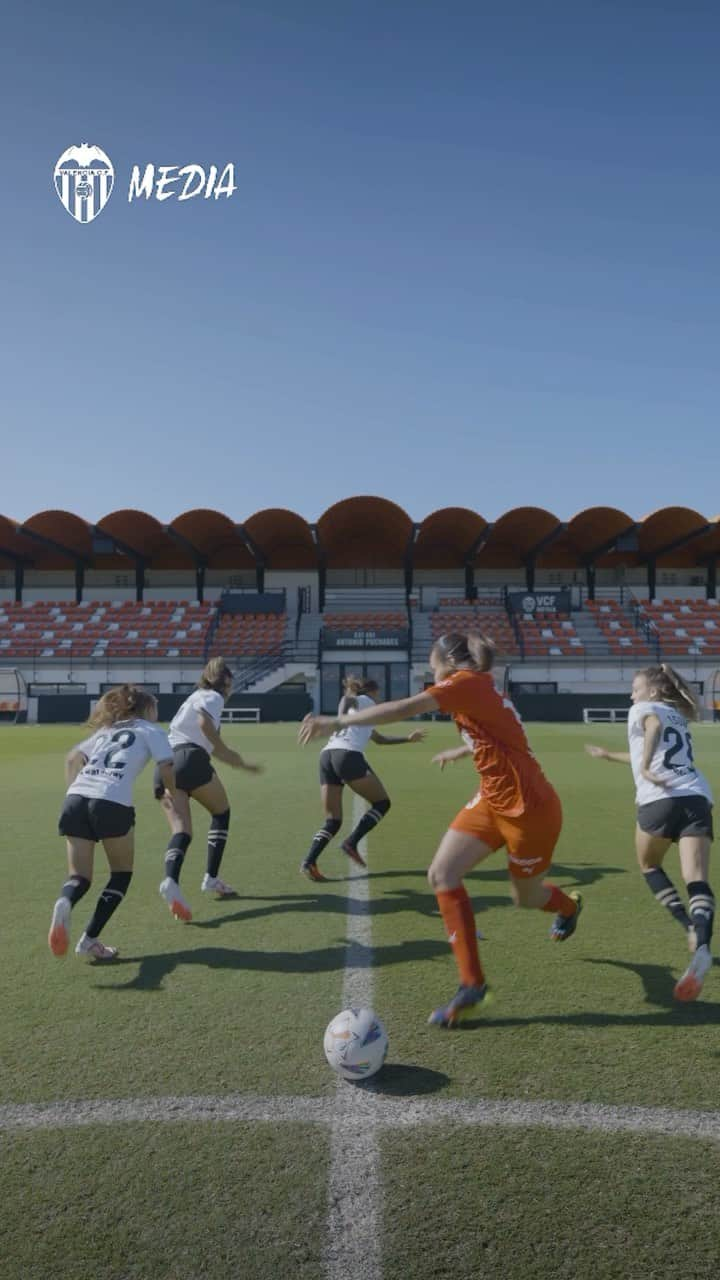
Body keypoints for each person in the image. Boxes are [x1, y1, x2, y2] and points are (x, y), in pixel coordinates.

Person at [299, 633, 581, 1025]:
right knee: (442, 874)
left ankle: (567, 906)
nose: (431, 673)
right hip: (491, 800)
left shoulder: (464, 683)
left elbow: (403, 708)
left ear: (448, 662)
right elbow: (498, 733)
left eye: (433, 666)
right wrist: (463, 749)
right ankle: (472, 985)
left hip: (529, 809)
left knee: (527, 898)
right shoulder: (477, 688)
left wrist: (336, 720)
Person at [586, 663, 714, 1002]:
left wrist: (643, 767)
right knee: (697, 880)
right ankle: (702, 945)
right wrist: (610, 756)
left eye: (636, 687)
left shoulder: (644, 710)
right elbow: (658, 743)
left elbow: (652, 731)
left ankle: (685, 924)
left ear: (652, 692)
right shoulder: (678, 715)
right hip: (696, 798)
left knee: (649, 865)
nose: (631, 694)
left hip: (659, 801)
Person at [48, 685, 176, 962]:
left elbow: (73, 758)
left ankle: (65, 902)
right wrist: (174, 795)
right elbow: (166, 766)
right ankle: (89, 940)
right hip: (111, 801)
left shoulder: (106, 731)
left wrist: (76, 792)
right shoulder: (152, 730)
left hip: (75, 799)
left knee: (78, 877)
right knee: (121, 874)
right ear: (146, 709)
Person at [154, 657, 263, 922]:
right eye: (230, 680)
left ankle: (171, 881)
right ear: (224, 680)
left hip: (164, 765)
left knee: (182, 831)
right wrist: (230, 755)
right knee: (221, 811)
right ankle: (211, 878)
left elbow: (200, 735)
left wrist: (233, 760)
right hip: (190, 759)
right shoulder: (213, 697)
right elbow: (205, 727)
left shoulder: (193, 697)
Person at [299, 676, 425, 882]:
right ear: (373, 691)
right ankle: (351, 842)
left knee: (332, 820)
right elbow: (347, 700)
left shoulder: (362, 715)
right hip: (347, 756)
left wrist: (407, 739)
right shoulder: (365, 701)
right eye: (378, 692)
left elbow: (379, 739)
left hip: (327, 756)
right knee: (382, 803)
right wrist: (340, 718)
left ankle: (309, 862)